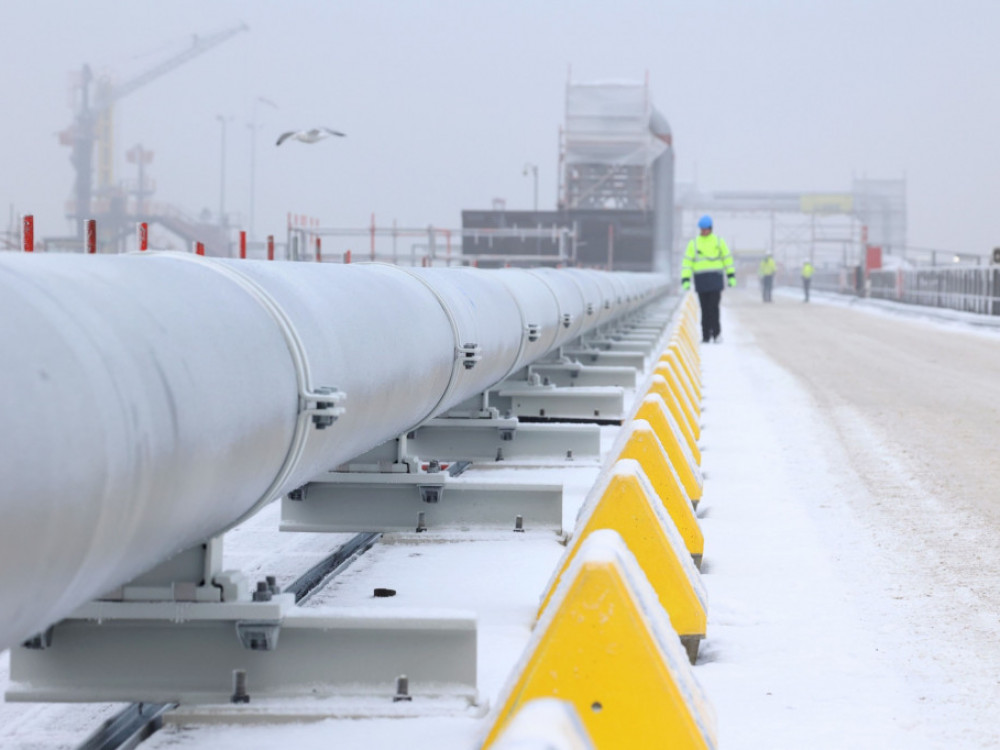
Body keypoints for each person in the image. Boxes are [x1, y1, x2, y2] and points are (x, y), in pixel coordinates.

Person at [681, 215, 736, 343]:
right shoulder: (694, 243)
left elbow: (727, 259)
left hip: (715, 279)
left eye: (706, 229)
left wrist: (731, 276)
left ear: (711, 228)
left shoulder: (718, 242)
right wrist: (685, 279)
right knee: (704, 308)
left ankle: (716, 334)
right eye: (702, 229)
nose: (704, 231)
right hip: (701, 280)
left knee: (714, 308)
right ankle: (706, 335)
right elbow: (687, 262)